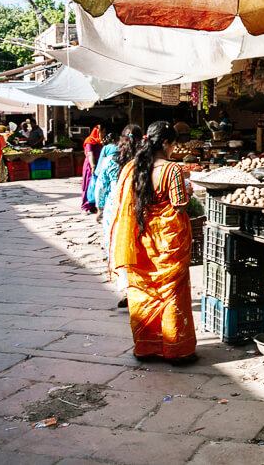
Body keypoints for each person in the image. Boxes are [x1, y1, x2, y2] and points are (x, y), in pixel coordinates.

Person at [110, 121, 197, 364]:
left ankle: (146, 348)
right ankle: (176, 350)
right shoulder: (172, 170)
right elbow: (179, 206)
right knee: (172, 295)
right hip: (168, 242)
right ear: (167, 143)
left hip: (140, 238)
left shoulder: (131, 167)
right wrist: (188, 194)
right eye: (173, 144)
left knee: (143, 291)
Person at [102, 124, 142, 308]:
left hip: (115, 209)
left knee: (119, 247)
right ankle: (140, 287)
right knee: (138, 247)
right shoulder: (144, 159)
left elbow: (101, 185)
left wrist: (100, 206)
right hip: (138, 207)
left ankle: (127, 290)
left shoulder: (111, 159)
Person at [81, 125, 103, 214]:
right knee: (88, 185)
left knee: (96, 186)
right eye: (103, 132)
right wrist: (93, 166)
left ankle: (94, 205)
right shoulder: (89, 141)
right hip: (90, 167)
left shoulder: (99, 142)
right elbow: (90, 154)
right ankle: (86, 206)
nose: (104, 134)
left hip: (98, 166)